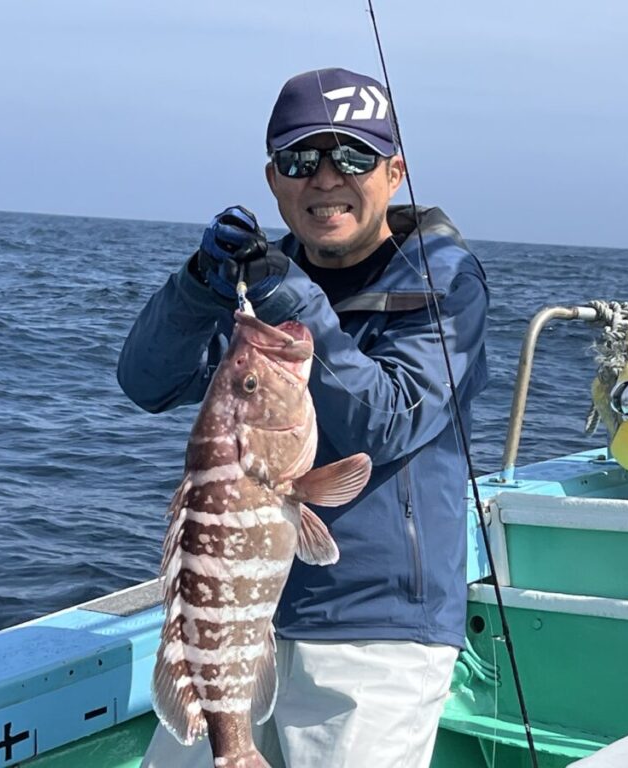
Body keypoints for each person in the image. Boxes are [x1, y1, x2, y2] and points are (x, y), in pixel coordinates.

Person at [118, 67, 489, 768]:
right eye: (299, 160)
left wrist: (292, 300)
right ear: (272, 178)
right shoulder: (259, 282)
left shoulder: (443, 281)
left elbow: (389, 422)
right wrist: (198, 286)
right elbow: (146, 381)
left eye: (352, 157)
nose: (325, 180)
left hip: (376, 629)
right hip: (241, 626)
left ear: (396, 171)